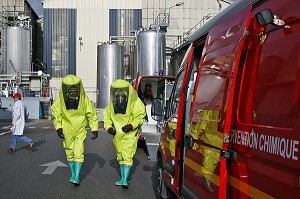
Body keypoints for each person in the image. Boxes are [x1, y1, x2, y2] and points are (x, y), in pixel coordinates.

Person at [51, 74, 99, 186]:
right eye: (71, 92)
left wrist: (94, 128)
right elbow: (56, 114)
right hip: (66, 130)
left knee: (79, 151)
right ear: (67, 92)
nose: (73, 94)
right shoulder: (61, 100)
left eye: (75, 92)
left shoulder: (84, 100)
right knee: (69, 152)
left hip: (80, 130)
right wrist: (58, 128)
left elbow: (92, 114)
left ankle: (76, 176)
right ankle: (73, 174)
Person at [103, 79, 146, 188]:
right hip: (117, 135)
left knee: (127, 155)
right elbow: (107, 118)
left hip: (130, 134)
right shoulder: (112, 106)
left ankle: (125, 179)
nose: (120, 99)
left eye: (122, 97)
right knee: (120, 156)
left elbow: (140, 116)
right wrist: (109, 128)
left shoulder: (134, 103)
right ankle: (122, 178)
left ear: (127, 97)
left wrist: (131, 126)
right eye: (118, 97)